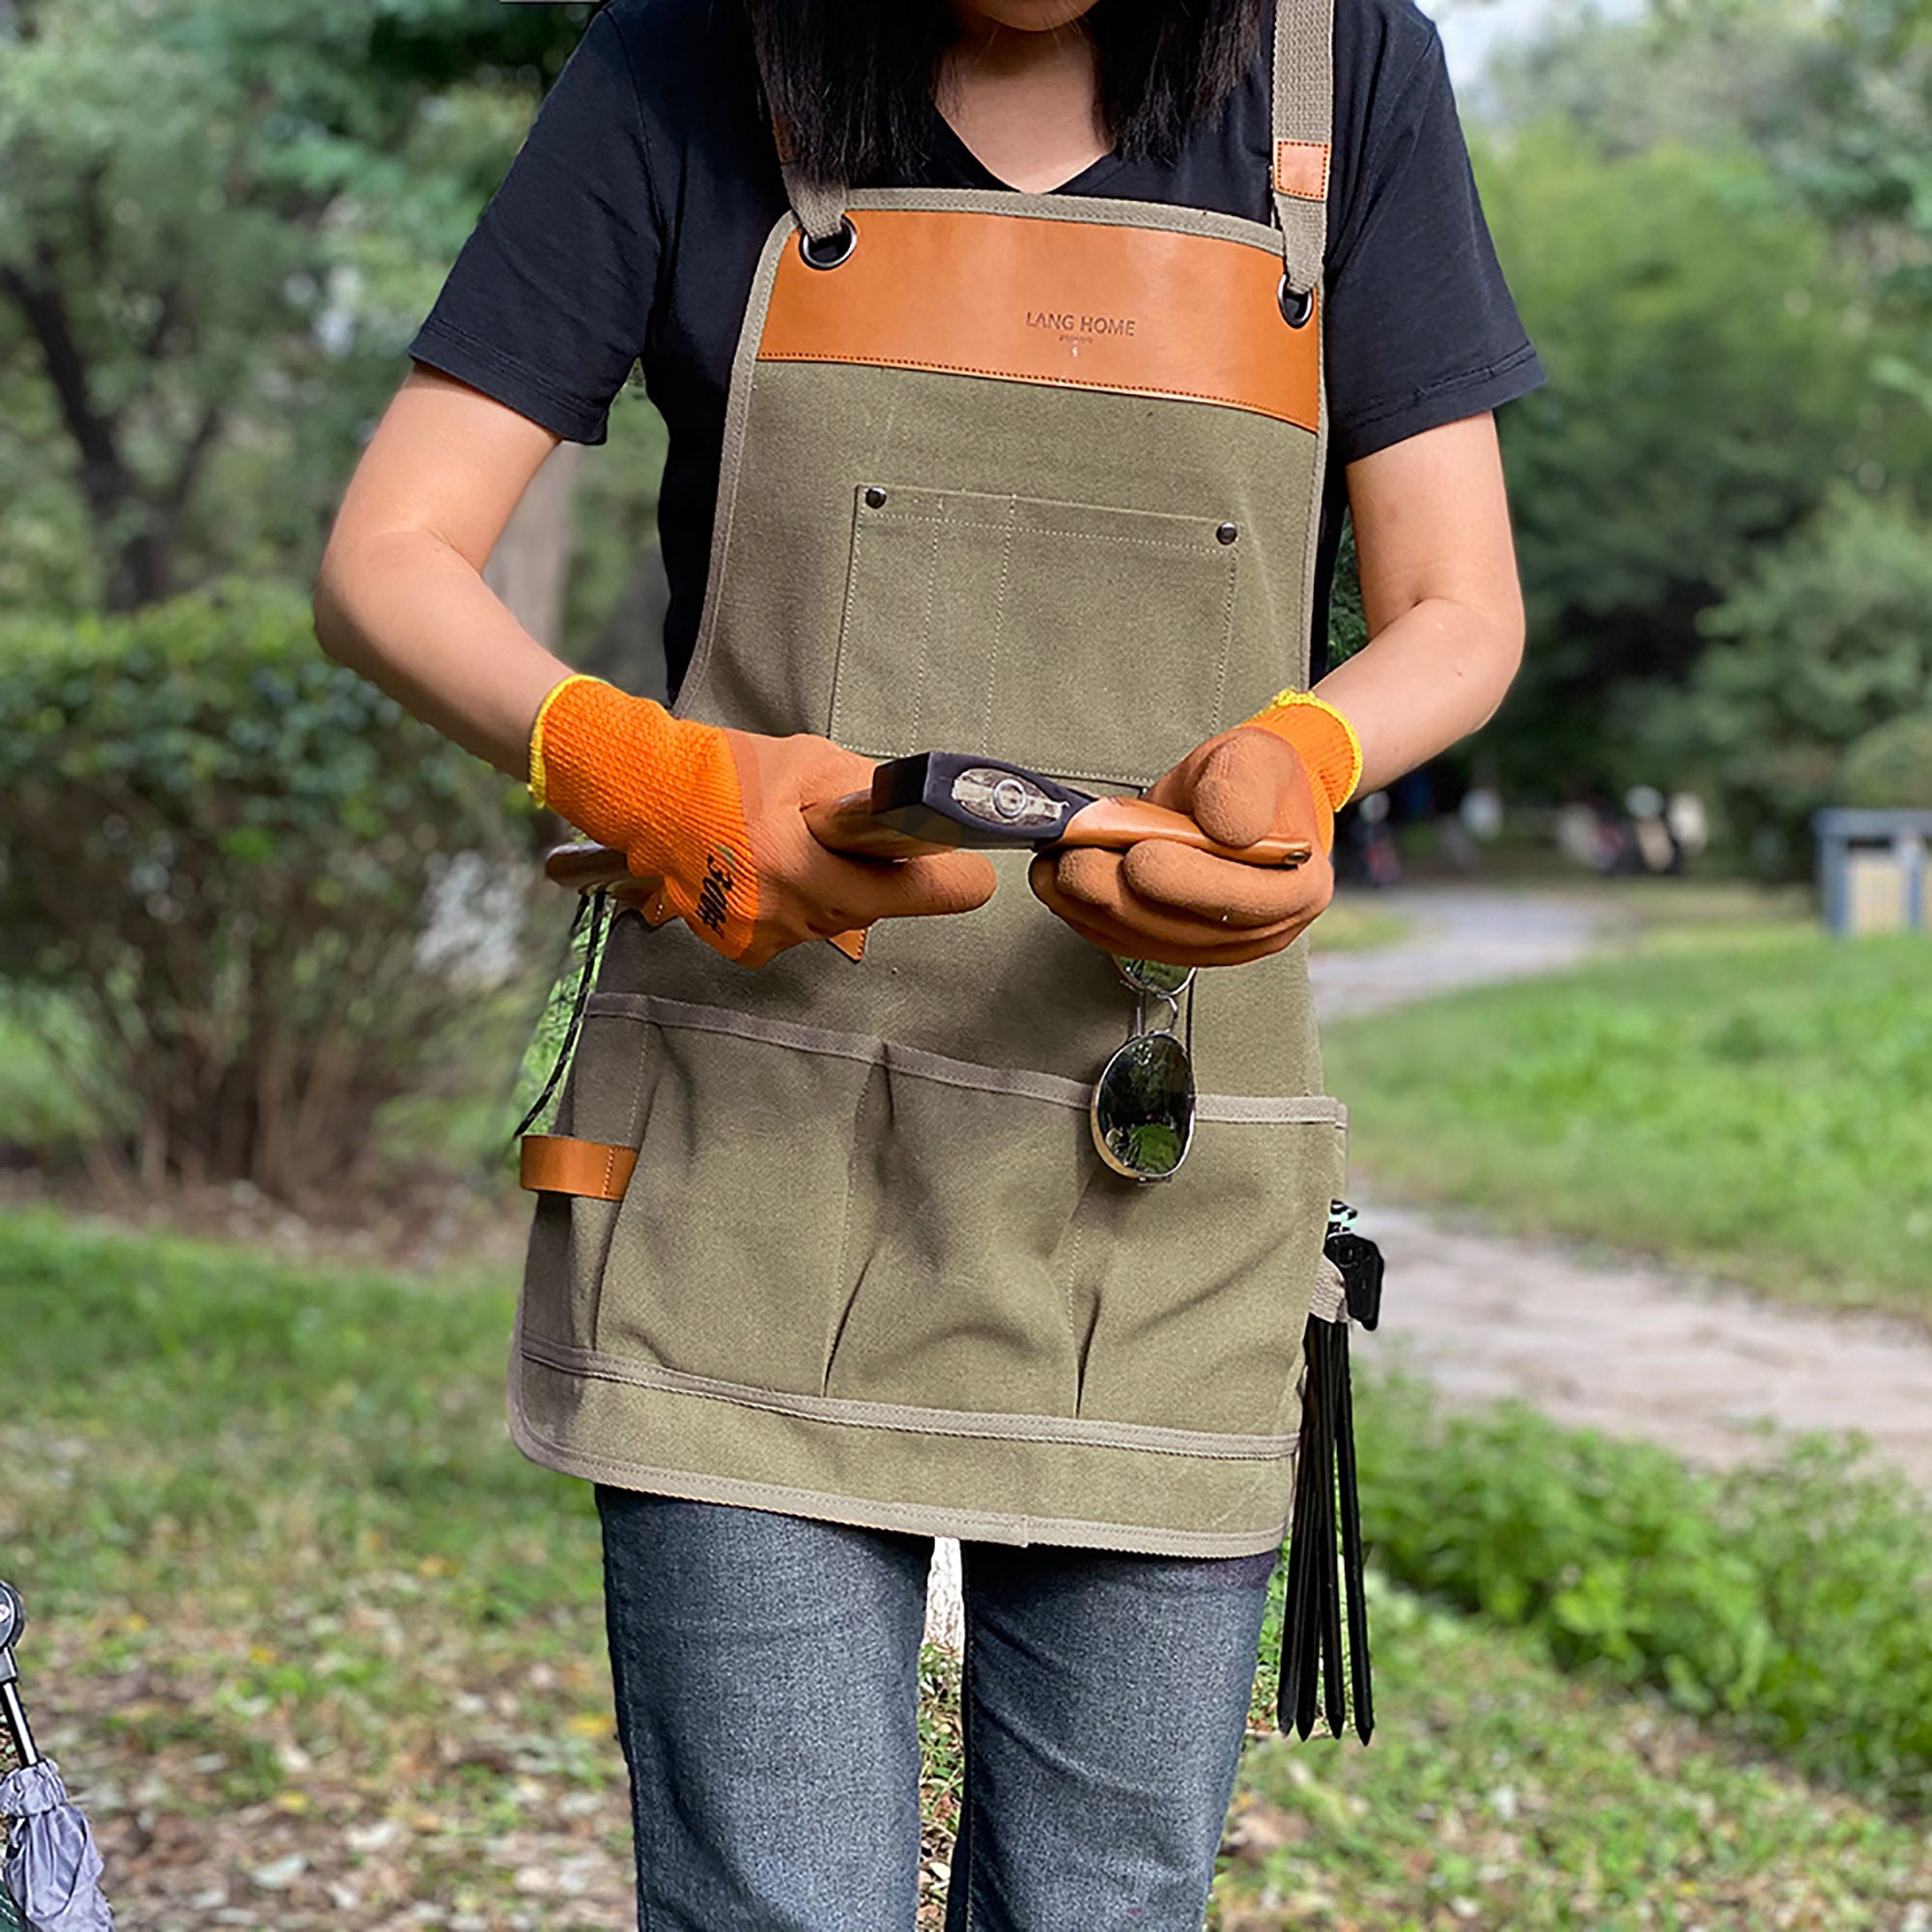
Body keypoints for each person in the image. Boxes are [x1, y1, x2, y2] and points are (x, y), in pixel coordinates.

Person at [312, 0, 1540, 1923]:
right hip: (748, 1156)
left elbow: (1458, 605)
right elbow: (387, 550)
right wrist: (642, 767)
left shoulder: (1336, 71)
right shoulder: (683, 61)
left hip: (1163, 1170)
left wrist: (1303, 757)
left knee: (1101, 1903)